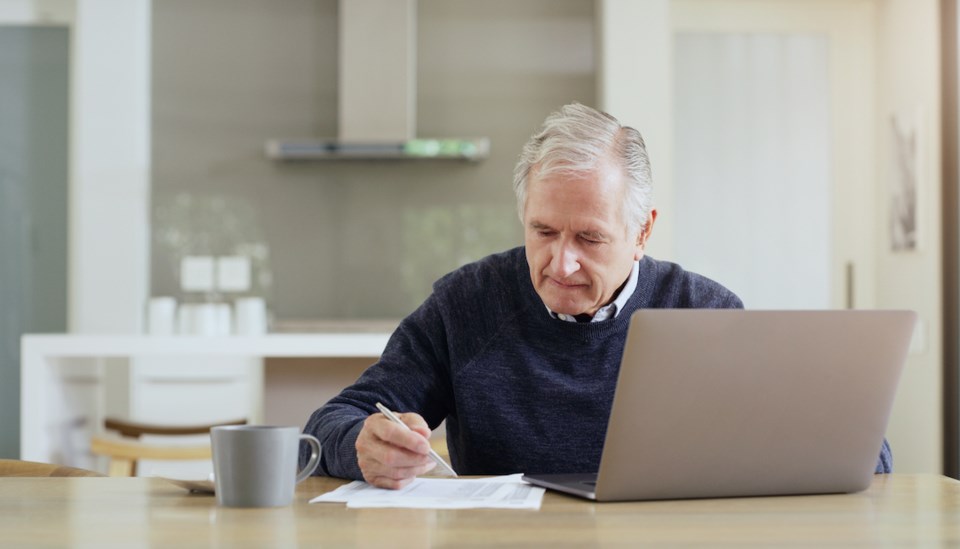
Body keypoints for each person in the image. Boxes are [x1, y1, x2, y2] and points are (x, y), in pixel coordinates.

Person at [302, 102, 892, 488]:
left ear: (642, 232)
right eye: (543, 232)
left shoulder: (703, 311)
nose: (561, 263)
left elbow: (862, 449)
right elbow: (332, 420)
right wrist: (361, 443)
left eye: (589, 237)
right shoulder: (467, 303)